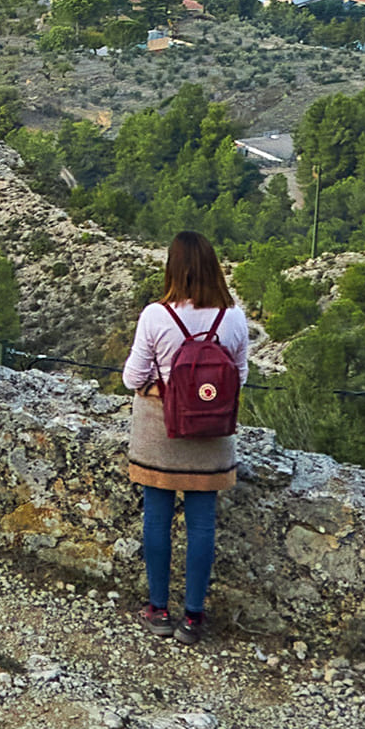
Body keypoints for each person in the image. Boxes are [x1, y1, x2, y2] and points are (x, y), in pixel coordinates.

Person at [120, 230, 253, 639]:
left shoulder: (155, 316)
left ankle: (158, 610)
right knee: (202, 525)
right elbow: (240, 377)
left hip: (160, 432)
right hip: (212, 434)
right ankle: (193, 617)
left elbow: (132, 378)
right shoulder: (233, 316)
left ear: (172, 268)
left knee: (157, 519)